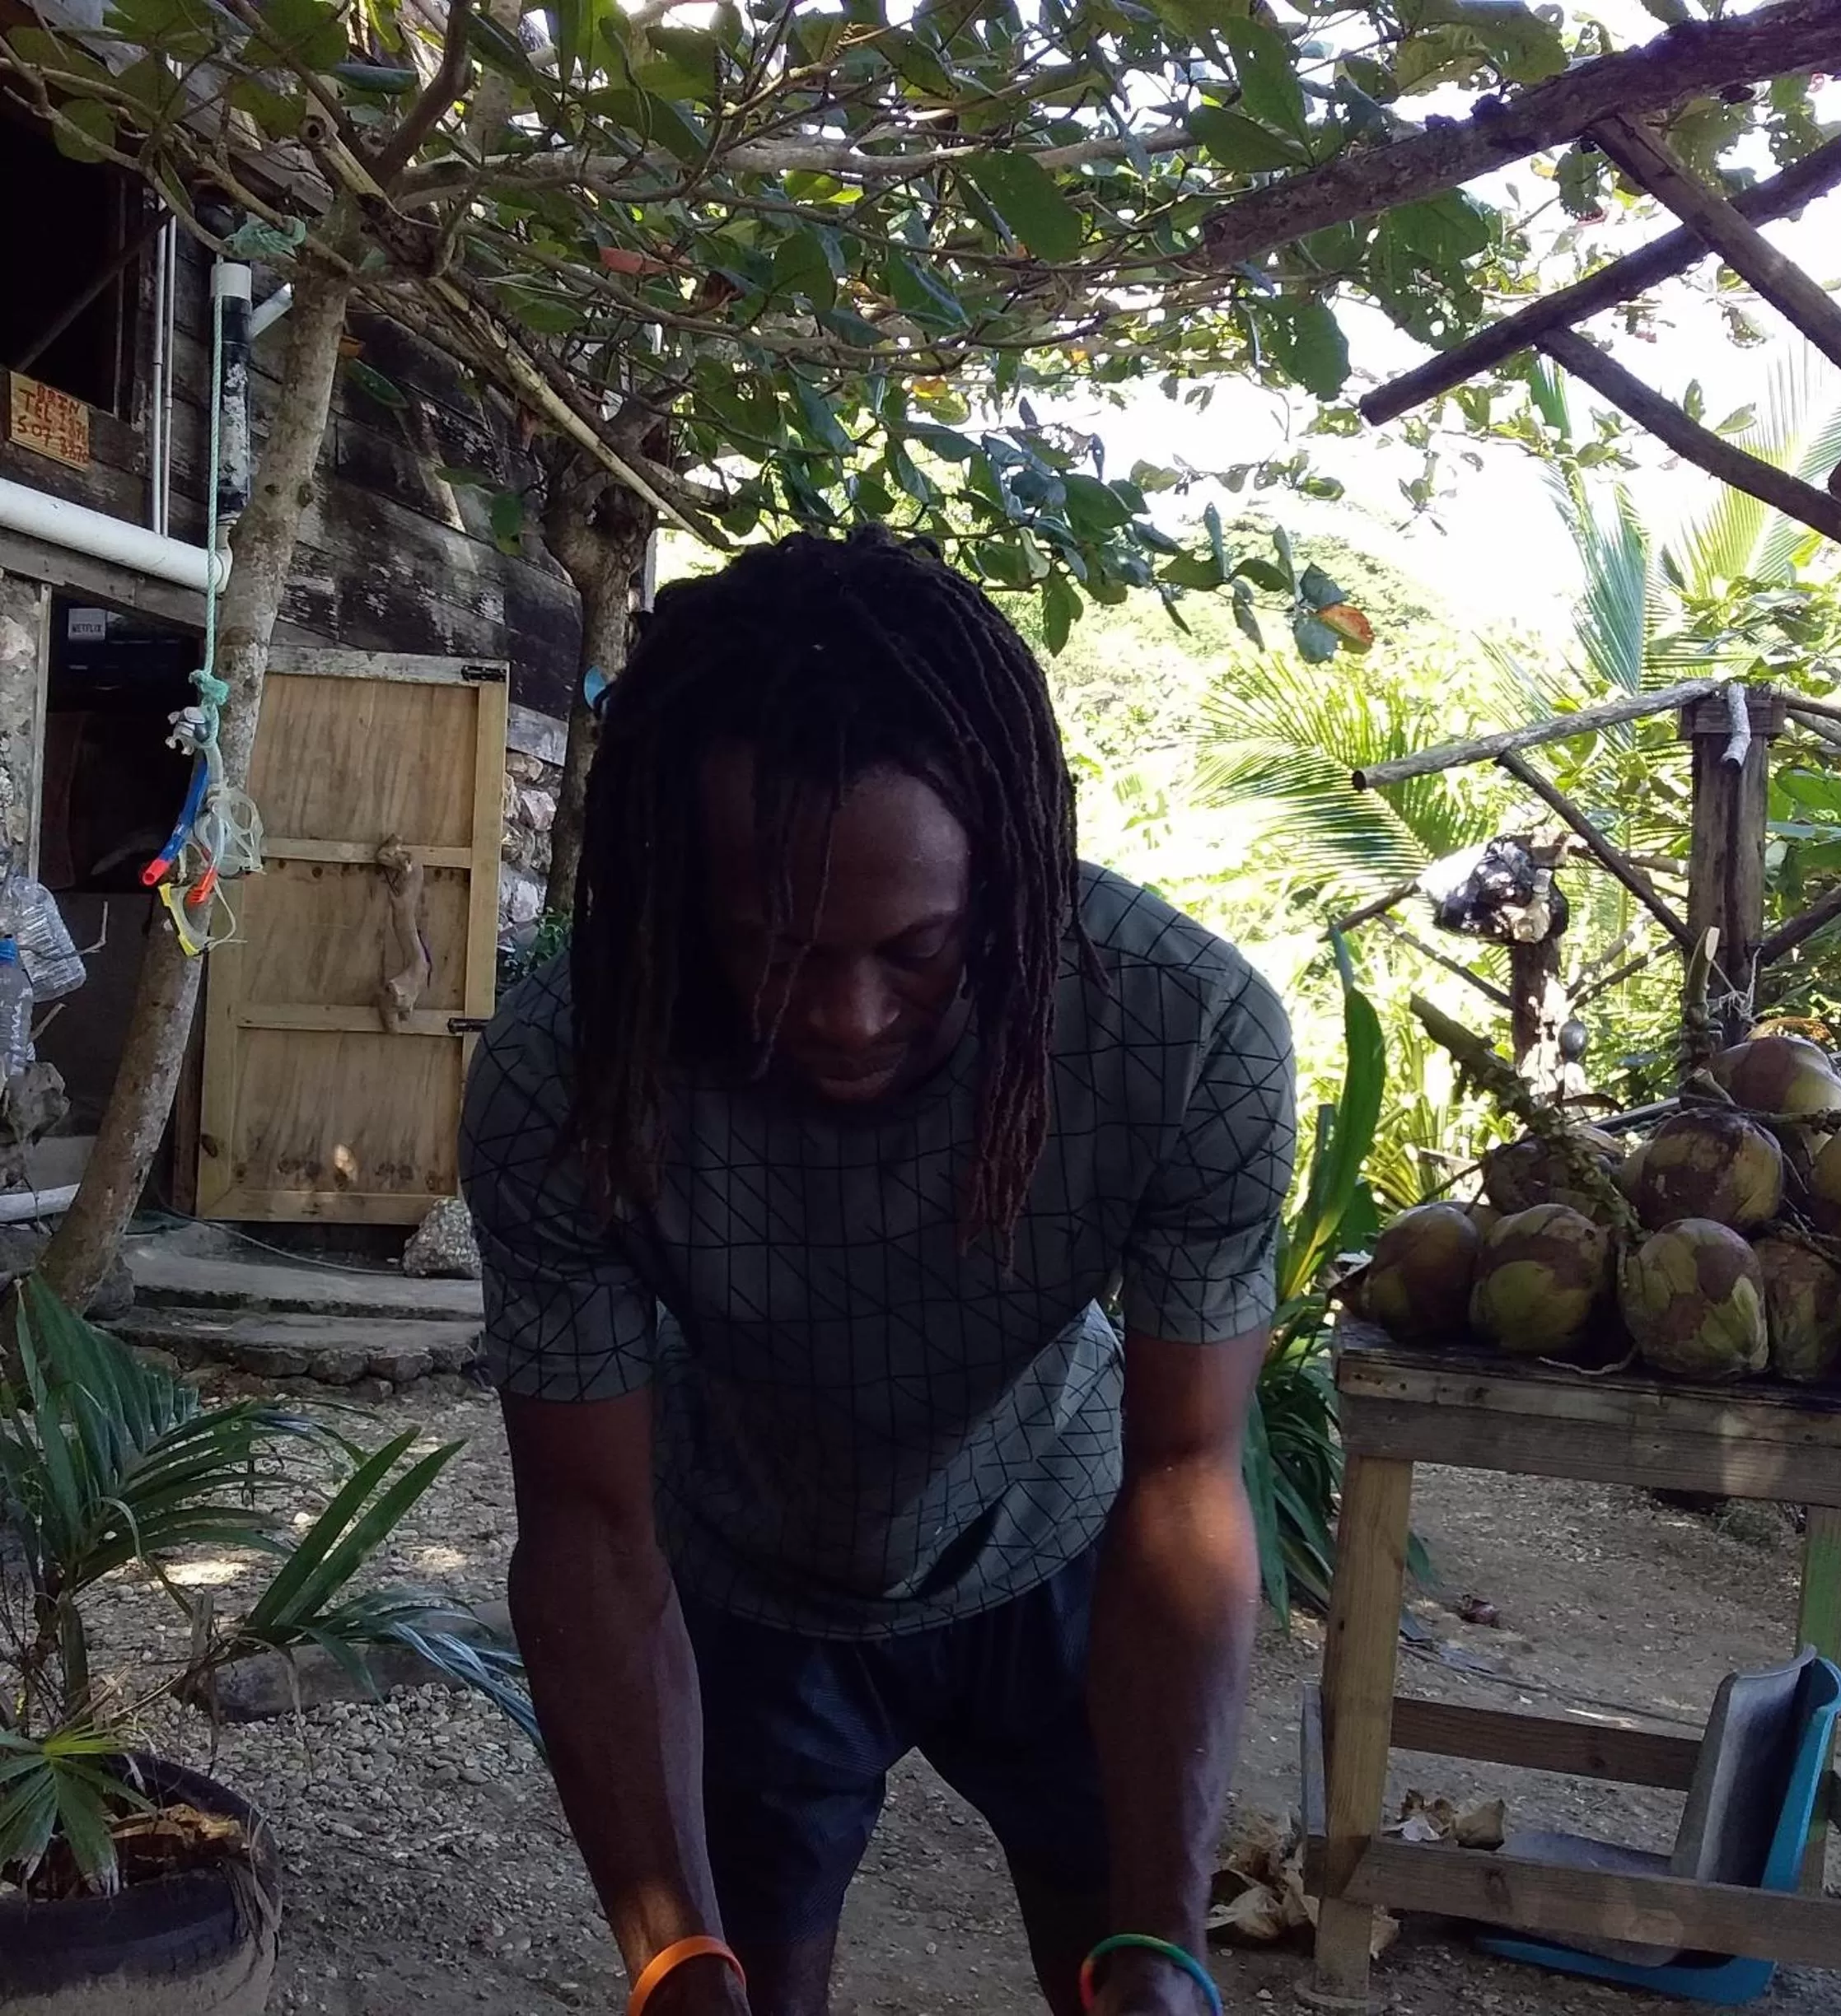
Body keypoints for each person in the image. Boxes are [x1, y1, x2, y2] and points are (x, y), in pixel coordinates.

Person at [460, 528, 1296, 2016]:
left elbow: (1188, 1473)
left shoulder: (1186, 1036)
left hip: (1066, 1549)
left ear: (1008, 876)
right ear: (682, 896)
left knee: (1127, 1976)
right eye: (773, 951)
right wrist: (670, 1965)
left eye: (916, 952)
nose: (845, 1016)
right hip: (743, 1581)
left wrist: (1166, 1948)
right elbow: (588, 1528)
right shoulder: (570, 1083)